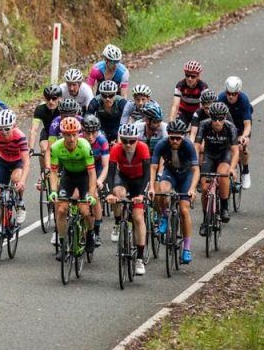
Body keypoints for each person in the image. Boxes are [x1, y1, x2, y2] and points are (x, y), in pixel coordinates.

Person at [147, 119, 199, 264]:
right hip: (170, 173)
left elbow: (196, 170)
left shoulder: (188, 145)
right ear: (168, 135)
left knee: (184, 210)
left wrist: (192, 189)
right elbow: (153, 167)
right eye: (172, 138)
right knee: (162, 191)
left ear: (183, 137)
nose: (175, 141)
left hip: (186, 175)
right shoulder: (162, 144)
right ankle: (164, 216)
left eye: (178, 138)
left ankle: (187, 249)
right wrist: (151, 187)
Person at [48, 117, 97, 258]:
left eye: (74, 134)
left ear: (78, 133)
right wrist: (53, 191)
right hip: (68, 176)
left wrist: (91, 194)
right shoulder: (56, 147)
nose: (71, 138)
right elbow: (53, 171)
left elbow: (92, 173)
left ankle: (90, 234)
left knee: (85, 210)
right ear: (62, 134)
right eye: (68, 135)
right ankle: (63, 244)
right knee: (62, 209)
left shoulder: (85, 146)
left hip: (84, 177)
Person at [106, 123, 152, 276]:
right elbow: (111, 173)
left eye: (132, 141)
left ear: (137, 140)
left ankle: (139, 257)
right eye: (125, 141)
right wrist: (111, 193)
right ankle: (119, 223)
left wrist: (142, 195)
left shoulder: (143, 148)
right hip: (124, 178)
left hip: (139, 181)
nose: (128, 144)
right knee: (117, 193)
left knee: (138, 218)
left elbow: (147, 174)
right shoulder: (116, 149)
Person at [194, 101, 238, 226]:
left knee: (223, 174)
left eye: (220, 118)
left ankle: (224, 207)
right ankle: (205, 219)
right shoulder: (204, 125)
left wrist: (233, 168)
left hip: (224, 155)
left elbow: (235, 151)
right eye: (214, 118)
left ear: (225, 117)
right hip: (209, 155)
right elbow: (197, 146)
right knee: (204, 187)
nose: (217, 121)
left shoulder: (230, 127)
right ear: (210, 117)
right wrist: (195, 164)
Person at [218, 76, 254, 189]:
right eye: (228, 93)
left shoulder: (244, 100)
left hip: (240, 127)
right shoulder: (221, 98)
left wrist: (244, 136)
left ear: (238, 93)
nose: (231, 96)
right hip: (226, 126)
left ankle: (246, 171)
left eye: (234, 94)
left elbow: (247, 125)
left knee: (241, 146)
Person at [81, 114, 110, 246]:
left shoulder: (102, 141)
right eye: (88, 133)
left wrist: (100, 180)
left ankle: (96, 231)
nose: (91, 136)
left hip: (97, 169)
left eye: (93, 133)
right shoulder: (79, 139)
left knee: (95, 196)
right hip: (82, 168)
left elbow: (105, 166)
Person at [29, 84, 63, 176]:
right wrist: (31, 148)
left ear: (60, 98)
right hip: (47, 133)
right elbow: (34, 130)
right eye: (48, 99)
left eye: (54, 98)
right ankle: (43, 173)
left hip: (61, 134)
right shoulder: (40, 109)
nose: (51, 102)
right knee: (44, 149)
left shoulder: (63, 108)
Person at [169, 60, 209, 124]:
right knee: (178, 128)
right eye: (187, 75)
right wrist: (171, 123)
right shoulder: (180, 85)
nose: (189, 78)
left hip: (197, 111)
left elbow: (204, 107)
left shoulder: (203, 87)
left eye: (193, 76)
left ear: (198, 76)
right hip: (183, 112)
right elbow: (175, 106)